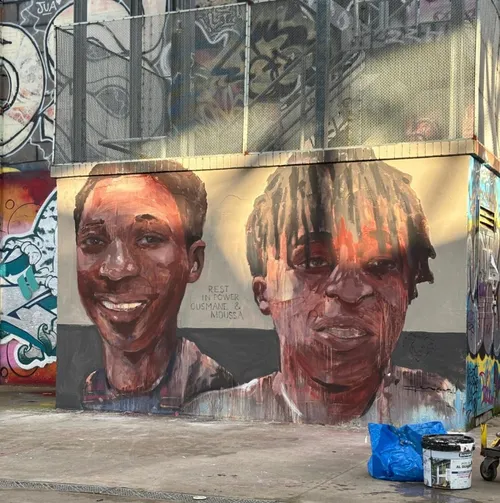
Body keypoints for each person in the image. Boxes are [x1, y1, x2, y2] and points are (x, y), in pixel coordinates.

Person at [184, 160, 456, 424]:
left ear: (409, 287)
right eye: (314, 261)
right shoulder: (214, 415)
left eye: (381, 263)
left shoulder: (443, 409)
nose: (350, 291)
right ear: (263, 293)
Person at [74, 161, 235, 413]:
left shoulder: (215, 392)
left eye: (149, 238)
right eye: (93, 240)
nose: (117, 269)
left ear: (193, 262)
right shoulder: (90, 389)